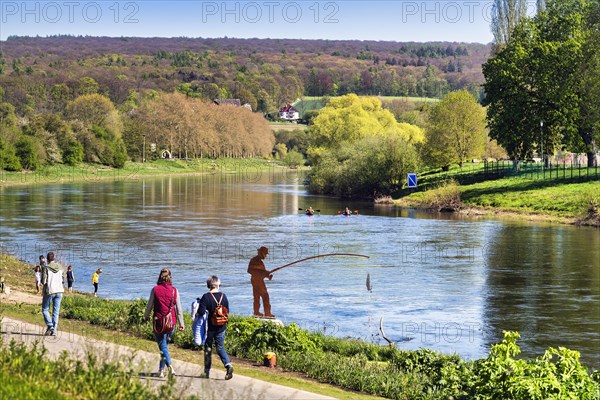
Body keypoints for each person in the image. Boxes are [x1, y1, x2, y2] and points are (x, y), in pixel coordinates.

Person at [144, 268, 185, 379]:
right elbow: (179, 309)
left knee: (163, 347)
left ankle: (170, 367)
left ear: (159, 277)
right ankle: (161, 371)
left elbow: (149, 306)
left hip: (158, 322)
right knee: (164, 346)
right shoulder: (174, 290)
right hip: (171, 323)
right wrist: (182, 323)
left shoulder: (155, 289)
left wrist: (145, 316)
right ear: (170, 277)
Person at [196, 275, 233, 380]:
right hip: (222, 326)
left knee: (208, 348)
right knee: (220, 347)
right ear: (218, 284)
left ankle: (206, 372)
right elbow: (227, 310)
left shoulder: (206, 297)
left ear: (209, 285)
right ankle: (228, 365)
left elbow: (201, 312)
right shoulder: (223, 296)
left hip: (210, 328)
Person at [41, 252, 64, 336]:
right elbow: (63, 280)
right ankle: (54, 331)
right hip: (59, 291)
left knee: (45, 309)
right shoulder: (60, 267)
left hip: (50, 291)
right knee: (56, 312)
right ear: (54, 258)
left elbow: (43, 281)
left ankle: (50, 325)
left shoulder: (46, 268)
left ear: (47, 259)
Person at [247, 246, 274, 318]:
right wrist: (262, 271)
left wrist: (268, 276)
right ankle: (267, 313)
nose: (266, 256)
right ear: (261, 253)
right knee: (265, 296)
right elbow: (249, 270)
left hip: (258, 280)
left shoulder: (261, 262)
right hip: (256, 281)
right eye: (265, 254)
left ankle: (256, 313)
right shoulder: (254, 260)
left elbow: (263, 273)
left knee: (257, 297)